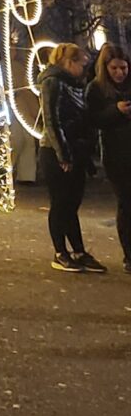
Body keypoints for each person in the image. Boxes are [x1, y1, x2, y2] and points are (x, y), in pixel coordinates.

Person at [37, 38, 102, 273]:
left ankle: (78, 250)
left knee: (71, 203)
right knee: (61, 203)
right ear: (69, 62)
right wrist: (62, 154)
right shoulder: (53, 82)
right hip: (56, 151)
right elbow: (51, 121)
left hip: (73, 149)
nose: (84, 69)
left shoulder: (72, 84)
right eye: (82, 64)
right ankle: (60, 252)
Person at [87, 40, 131, 274]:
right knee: (126, 204)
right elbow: (92, 120)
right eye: (114, 68)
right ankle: (129, 255)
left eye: (123, 68)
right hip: (116, 155)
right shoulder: (96, 88)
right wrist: (116, 111)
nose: (120, 73)